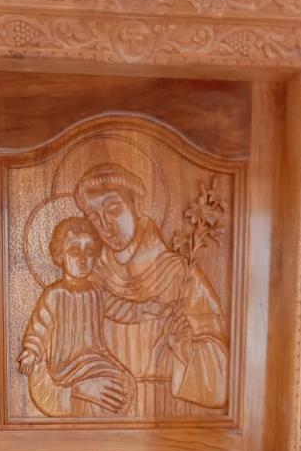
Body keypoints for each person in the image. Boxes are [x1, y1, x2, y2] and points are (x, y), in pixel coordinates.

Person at [74, 163, 228, 416]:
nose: (105, 224)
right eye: (94, 217)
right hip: (100, 421)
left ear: (136, 205)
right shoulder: (89, 282)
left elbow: (223, 377)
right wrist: (80, 387)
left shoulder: (181, 275)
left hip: (164, 421)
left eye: (113, 209)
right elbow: (55, 356)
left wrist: (186, 348)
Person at [18, 217, 167, 417]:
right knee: (91, 397)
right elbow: (40, 328)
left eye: (89, 252)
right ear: (60, 255)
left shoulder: (97, 292)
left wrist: (146, 308)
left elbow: (121, 308)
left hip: (96, 360)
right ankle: (85, 422)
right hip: (66, 366)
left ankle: (105, 430)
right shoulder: (54, 295)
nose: (82, 259)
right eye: (74, 251)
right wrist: (31, 351)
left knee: (125, 385)